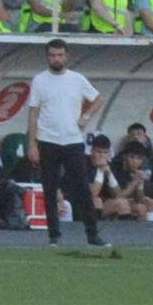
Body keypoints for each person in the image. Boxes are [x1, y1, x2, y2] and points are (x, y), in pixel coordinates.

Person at [26, 35, 107, 250]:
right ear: (47, 57)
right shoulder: (39, 80)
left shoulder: (77, 79)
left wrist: (86, 116)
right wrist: (32, 144)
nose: (56, 59)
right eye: (52, 55)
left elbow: (98, 99)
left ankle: (92, 234)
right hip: (47, 140)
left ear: (67, 56)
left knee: (82, 188)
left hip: (72, 140)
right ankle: (54, 235)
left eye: (60, 55)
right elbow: (33, 114)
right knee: (50, 189)